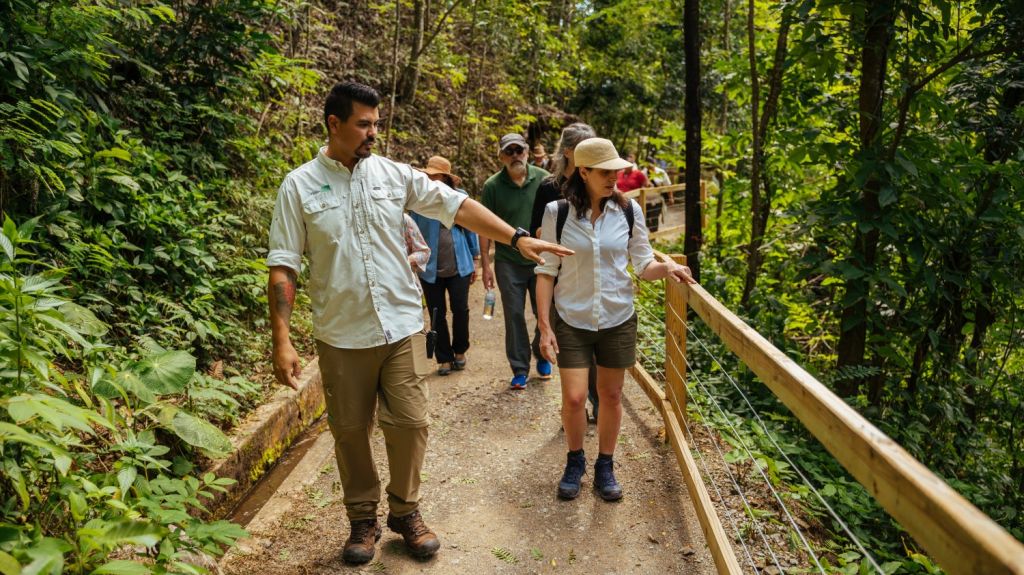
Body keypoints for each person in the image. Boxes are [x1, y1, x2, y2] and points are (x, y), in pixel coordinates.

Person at [267, 81, 571, 564]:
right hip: (341, 334)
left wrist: (516, 237)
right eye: (364, 124)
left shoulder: (391, 174)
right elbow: (283, 267)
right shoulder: (299, 185)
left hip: (402, 324)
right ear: (334, 123)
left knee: (410, 423)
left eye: (376, 123)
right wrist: (281, 341)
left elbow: (457, 206)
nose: (373, 133)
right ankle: (362, 519)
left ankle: (405, 511)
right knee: (349, 431)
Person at [534, 137, 695, 502]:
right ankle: (575, 461)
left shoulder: (628, 211)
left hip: (617, 316)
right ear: (584, 171)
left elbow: (643, 264)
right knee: (575, 398)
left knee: (611, 394)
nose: (614, 179)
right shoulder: (557, 213)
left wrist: (668, 267)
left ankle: (605, 465)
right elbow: (546, 272)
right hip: (572, 317)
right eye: (605, 172)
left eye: (617, 172)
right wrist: (544, 327)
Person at [529, 122, 602, 423]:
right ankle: (575, 406)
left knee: (597, 345)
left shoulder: (599, 182)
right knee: (570, 344)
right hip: (560, 276)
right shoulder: (549, 187)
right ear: (569, 153)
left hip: (591, 275)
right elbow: (536, 231)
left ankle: (597, 401)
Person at [480, 133, 552, 390]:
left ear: (527, 152)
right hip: (508, 261)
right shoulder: (492, 186)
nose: (514, 156)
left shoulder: (544, 180)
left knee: (544, 311)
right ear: (501, 156)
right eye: (508, 152)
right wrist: (486, 266)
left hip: (541, 259)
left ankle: (542, 353)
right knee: (513, 315)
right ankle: (519, 367)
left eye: (518, 150)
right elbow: (484, 226)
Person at [409, 156, 480, 376]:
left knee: (461, 310)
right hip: (430, 269)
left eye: (434, 175)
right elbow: (412, 232)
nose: (430, 178)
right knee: (436, 313)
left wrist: (475, 258)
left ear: (445, 178)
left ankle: (460, 351)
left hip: (459, 265)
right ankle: (444, 358)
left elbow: (472, 229)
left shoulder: (460, 198)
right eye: (428, 175)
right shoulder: (419, 202)